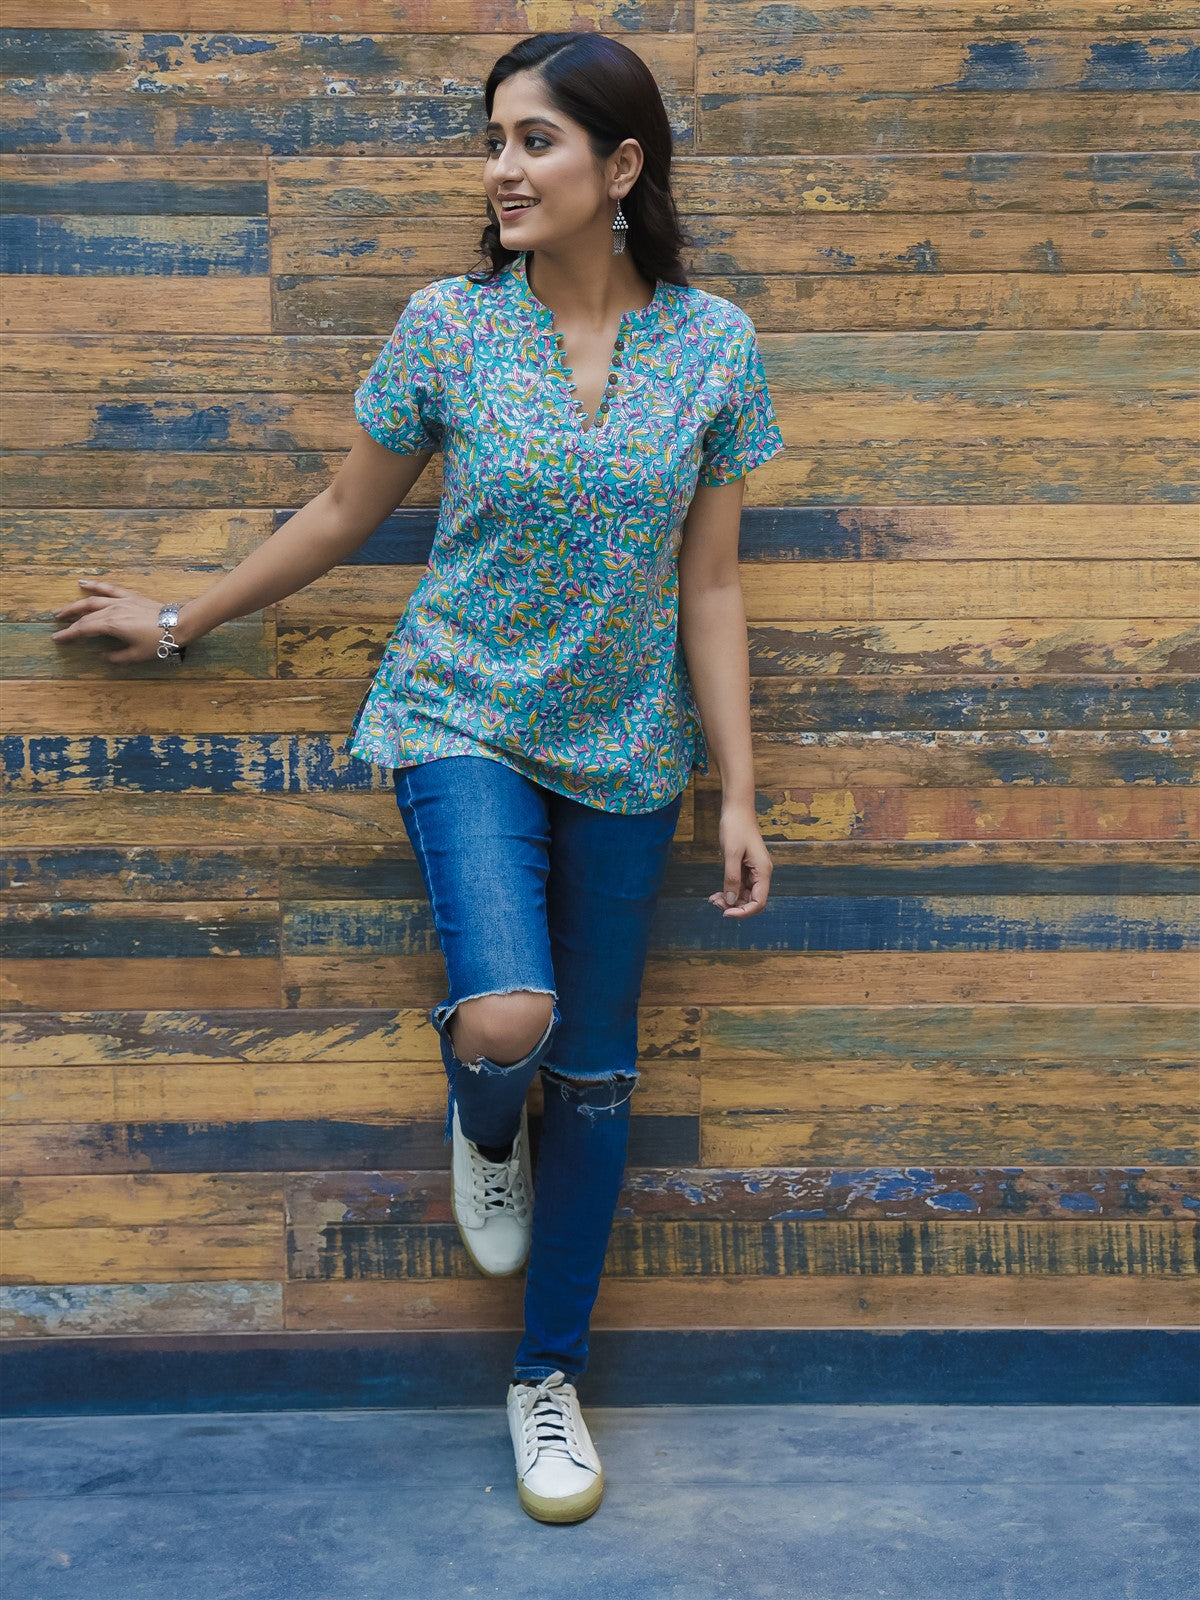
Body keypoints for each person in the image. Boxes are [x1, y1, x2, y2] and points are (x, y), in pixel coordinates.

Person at [49, 31, 786, 1526]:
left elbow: (711, 584)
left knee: (597, 1071)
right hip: (458, 714)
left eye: (536, 142)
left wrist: (740, 789)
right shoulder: (450, 326)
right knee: (515, 1020)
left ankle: (547, 1379)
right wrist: (182, 617)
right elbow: (340, 509)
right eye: (494, 141)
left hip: (628, 746)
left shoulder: (715, 346)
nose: (502, 169)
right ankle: (481, 1111)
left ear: (622, 166)